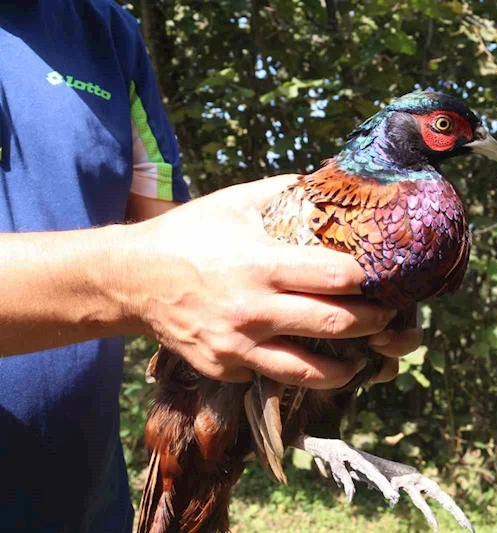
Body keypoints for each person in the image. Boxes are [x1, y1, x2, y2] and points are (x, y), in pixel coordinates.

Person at [0, 2, 421, 532]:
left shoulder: (103, 28)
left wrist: (298, 305)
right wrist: (129, 280)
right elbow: (151, 268)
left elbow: (173, 241)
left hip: (86, 494)